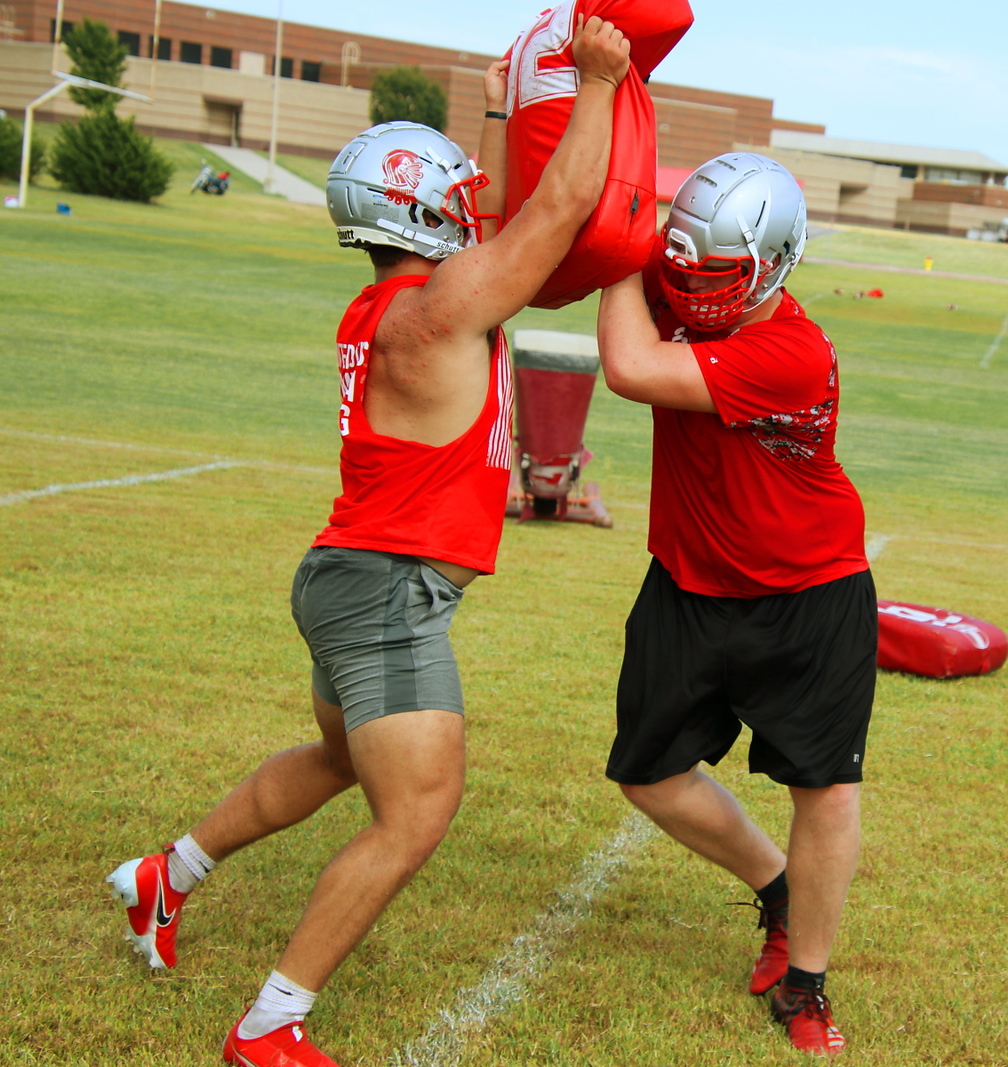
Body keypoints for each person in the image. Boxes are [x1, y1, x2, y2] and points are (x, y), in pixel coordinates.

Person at [104, 20, 631, 1067]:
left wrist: (494, 103)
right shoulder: (435, 310)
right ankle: (270, 1024)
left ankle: (169, 872)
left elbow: (488, 220)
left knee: (341, 759)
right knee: (416, 811)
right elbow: (561, 207)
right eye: (449, 191)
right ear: (418, 211)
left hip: (354, 574)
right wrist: (602, 85)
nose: (468, 200)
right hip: (383, 585)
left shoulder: (397, 302)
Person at [595, 152, 876, 1057]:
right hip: (686, 580)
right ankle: (778, 889)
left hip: (808, 591)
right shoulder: (684, 283)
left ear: (777, 261)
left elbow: (632, 367)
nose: (694, 291)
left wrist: (616, 254)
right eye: (687, 271)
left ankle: (807, 983)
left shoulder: (793, 352)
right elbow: (568, 241)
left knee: (823, 789)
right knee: (647, 773)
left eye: (718, 276)